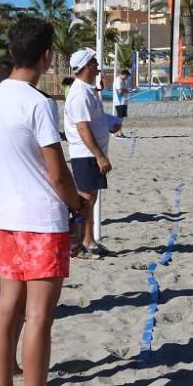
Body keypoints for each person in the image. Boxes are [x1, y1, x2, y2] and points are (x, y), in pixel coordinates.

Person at [0, 17, 91, 386]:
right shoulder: (37, 102)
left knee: (6, 309)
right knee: (39, 318)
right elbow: (57, 174)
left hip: (5, 218)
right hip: (41, 221)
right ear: (48, 55)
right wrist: (78, 206)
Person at [64, 48, 122, 259]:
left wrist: (110, 124)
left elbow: (93, 120)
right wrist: (99, 156)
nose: (98, 64)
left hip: (89, 152)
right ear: (87, 66)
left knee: (90, 199)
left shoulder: (87, 90)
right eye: (95, 61)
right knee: (85, 200)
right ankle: (80, 244)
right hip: (85, 153)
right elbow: (82, 128)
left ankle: (89, 242)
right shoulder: (79, 93)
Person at [113, 68, 131, 137]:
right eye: (126, 76)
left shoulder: (122, 81)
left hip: (123, 101)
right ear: (123, 74)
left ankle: (118, 132)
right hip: (119, 102)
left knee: (121, 118)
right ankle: (118, 132)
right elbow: (119, 92)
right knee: (119, 118)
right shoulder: (118, 80)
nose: (126, 78)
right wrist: (127, 90)